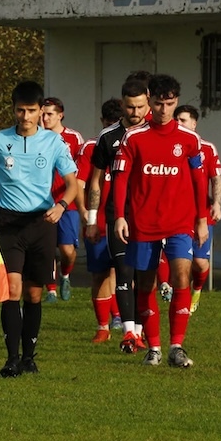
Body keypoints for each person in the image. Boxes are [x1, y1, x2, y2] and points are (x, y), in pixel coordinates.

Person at [0, 80, 78, 377]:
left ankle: (30, 356)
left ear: (41, 111)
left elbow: (71, 184)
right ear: (13, 110)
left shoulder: (54, 143)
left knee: (33, 294)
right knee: (12, 290)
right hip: (8, 224)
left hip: (42, 224)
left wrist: (61, 206)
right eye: (21, 110)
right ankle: (11, 359)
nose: (26, 117)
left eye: (32, 111)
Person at [112, 74, 208, 368]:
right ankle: (153, 347)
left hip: (179, 222)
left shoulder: (189, 140)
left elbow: (198, 178)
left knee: (181, 276)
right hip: (143, 222)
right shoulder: (133, 138)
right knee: (146, 284)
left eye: (169, 104)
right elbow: (121, 179)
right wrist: (119, 216)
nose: (163, 109)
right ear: (149, 99)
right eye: (158, 103)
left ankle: (176, 347)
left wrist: (201, 218)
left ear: (176, 102)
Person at [86, 79, 151, 355]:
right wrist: (91, 220)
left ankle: (142, 331)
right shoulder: (108, 137)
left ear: (147, 102)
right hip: (118, 215)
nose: (135, 112)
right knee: (123, 270)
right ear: (122, 104)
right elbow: (95, 181)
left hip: (149, 215)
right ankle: (129, 333)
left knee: (144, 275)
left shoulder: (154, 133)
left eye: (139, 106)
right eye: (129, 106)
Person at [78, 99, 124, 343]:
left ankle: (131, 328)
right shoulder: (91, 148)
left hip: (125, 222)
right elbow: (80, 183)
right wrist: (86, 215)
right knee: (100, 275)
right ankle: (103, 327)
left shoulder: (132, 143)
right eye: (108, 124)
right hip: (99, 223)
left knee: (129, 275)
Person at [173, 104, 221, 313]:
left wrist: (217, 203)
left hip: (201, 213)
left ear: (194, 123)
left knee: (200, 263)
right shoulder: (172, 147)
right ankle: (175, 295)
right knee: (177, 260)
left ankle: (197, 290)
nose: (179, 124)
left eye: (183, 120)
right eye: (177, 120)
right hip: (176, 213)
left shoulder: (208, 148)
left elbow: (215, 178)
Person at [41, 97, 84, 302]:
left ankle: (65, 275)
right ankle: (50, 290)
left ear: (60, 115)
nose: (45, 118)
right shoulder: (35, 137)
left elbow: (79, 172)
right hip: (42, 202)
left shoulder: (74, 138)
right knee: (47, 248)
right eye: (42, 113)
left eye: (49, 114)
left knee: (68, 251)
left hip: (68, 203)